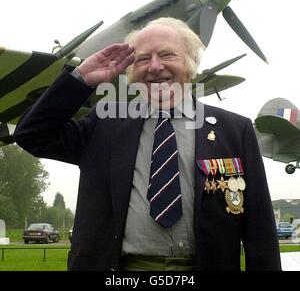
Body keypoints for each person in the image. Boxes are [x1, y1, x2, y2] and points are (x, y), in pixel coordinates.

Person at [14, 17, 281, 271]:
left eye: (167, 55)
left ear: (191, 64)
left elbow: (260, 230)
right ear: (132, 72)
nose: (154, 66)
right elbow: (32, 135)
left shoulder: (234, 130)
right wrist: (79, 80)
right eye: (143, 59)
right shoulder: (105, 124)